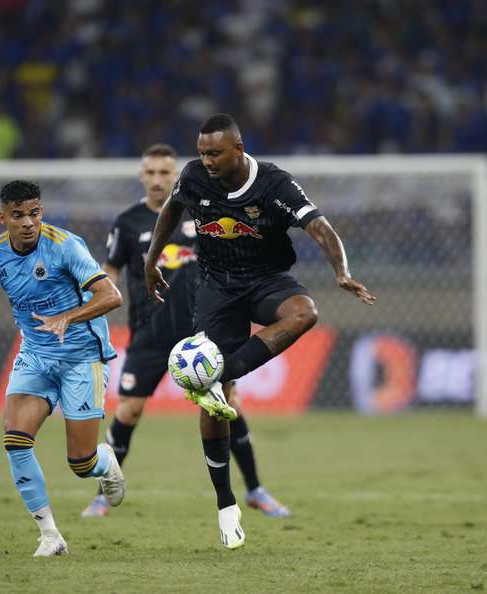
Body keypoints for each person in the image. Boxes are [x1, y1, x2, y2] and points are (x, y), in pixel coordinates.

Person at [144, 114, 376, 550]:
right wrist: (149, 260)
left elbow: (320, 227)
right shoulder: (194, 177)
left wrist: (341, 272)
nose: (207, 160)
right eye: (202, 153)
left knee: (304, 313)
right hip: (216, 286)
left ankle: (221, 372)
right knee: (215, 406)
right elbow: (172, 210)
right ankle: (226, 503)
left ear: (238, 148)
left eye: (215, 153)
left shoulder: (273, 184)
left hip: (267, 280)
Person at [82, 143, 291, 520]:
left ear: (177, 176)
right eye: (152, 173)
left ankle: (256, 490)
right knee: (128, 409)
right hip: (148, 332)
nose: (158, 180)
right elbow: (109, 273)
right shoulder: (127, 223)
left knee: (229, 405)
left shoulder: (201, 213)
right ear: (142, 176)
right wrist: (93, 303)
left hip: (204, 333)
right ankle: (102, 495)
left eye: (166, 173)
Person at [0, 180, 126, 557]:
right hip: (35, 354)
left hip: (81, 357)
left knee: (80, 463)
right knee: (15, 438)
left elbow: (111, 295)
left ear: (42, 213)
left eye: (34, 213)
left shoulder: (66, 245)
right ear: (3, 218)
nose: (27, 222)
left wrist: (68, 316)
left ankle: (105, 462)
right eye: (18, 215)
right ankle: (50, 535)